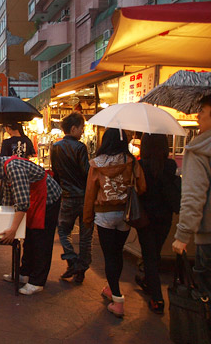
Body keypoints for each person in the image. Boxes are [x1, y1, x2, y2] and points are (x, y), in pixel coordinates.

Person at [0, 148, 62, 295]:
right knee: (29, 237)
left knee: (41, 240)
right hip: (34, 200)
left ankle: (37, 282)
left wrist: (13, 229)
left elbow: (22, 203)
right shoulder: (3, 171)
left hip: (48, 200)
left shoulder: (13, 168)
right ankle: (24, 273)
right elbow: (8, 200)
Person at [83, 128, 146, 318]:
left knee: (109, 256)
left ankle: (117, 299)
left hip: (104, 216)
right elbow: (142, 187)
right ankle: (111, 288)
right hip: (124, 215)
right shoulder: (131, 162)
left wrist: (87, 219)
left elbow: (90, 194)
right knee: (117, 253)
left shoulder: (96, 164)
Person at [135, 133, 179, 314]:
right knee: (155, 253)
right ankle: (148, 281)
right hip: (165, 218)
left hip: (145, 218)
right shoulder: (170, 166)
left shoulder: (141, 166)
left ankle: (157, 298)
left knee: (149, 256)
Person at [173, 95, 211, 298]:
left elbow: (194, 195)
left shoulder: (199, 149)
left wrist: (182, 235)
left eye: (202, 111)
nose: (197, 116)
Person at [50, 112, 92, 283]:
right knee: (85, 236)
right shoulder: (81, 147)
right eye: (81, 128)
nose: (82, 131)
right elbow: (87, 173)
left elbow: (56, 173)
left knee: (63, 231)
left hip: (66, 196)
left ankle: (71, 261)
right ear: (73, 128)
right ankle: (79, 267)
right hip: (84, 197)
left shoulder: (55, 147)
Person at [0, 122, 36, 204]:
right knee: (23, 199)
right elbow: (32, 155)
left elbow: (2, 160)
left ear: (8, 128)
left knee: (6, 201)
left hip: (9, 175)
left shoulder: (7, 142)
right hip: (26, 175)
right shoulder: (27, 140)